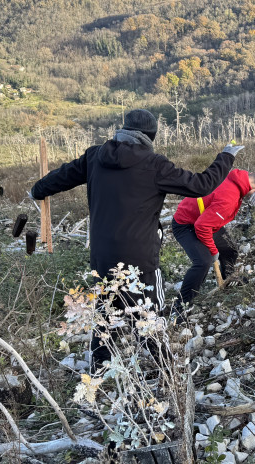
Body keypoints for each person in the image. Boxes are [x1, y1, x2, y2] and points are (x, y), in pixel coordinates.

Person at [30, 109, 244, 363]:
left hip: (102, 257)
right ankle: (166, 369)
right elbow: (201, 185)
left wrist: (37, 190)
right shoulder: (154, 165)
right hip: (139, 259)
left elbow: (61, 177)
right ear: (150, 136)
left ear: (124, 129)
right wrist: (226, 157)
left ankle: (98, 372)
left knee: (106, 314)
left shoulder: (95, 156)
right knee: (148, 315)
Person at [171, 168, 255, 314]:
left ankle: (228, 277)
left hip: (207, 219)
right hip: (186, 224)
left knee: (230, 249)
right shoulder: (228, 199)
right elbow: (202, 226)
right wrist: (213, 251)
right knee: (203, 262)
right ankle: (181, 307)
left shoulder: (240, 176)